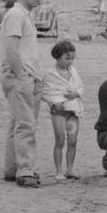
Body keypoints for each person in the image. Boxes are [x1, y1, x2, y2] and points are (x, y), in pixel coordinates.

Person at [0, 0, 46, 187]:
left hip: (27, 75)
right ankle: (25, 170)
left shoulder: (24, 15)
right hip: (21, 76)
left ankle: (12, 168)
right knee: (26, 125)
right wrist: (22, 76)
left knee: (17, 123)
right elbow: (10, 49)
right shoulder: (16, 15)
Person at [42, 40, 84, 181]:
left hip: (73, 111)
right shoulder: (50, 74)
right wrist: (52, 102)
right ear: (57, 57)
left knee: (73, 141)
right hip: (58, 112)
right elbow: (46, 92)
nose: (70, 61)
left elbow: (80, 88)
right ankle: (59, 170)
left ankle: (70, 169)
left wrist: (75, 94)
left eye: (72, 58)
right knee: (60, 139)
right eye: (67, 58)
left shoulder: (74, 72)